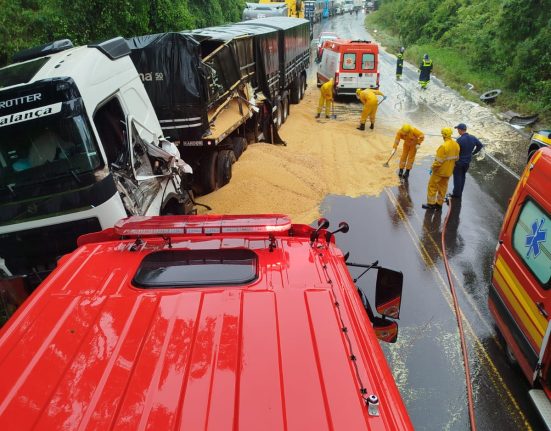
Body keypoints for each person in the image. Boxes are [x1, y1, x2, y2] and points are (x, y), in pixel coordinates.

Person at [422, 127, 459, 210]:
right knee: (443, 188)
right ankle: (439, 204)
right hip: (448, 172)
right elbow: (456, 158)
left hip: (439, 172)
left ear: (443, 135)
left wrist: (432, 168)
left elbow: (438, 162)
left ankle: (431, 204)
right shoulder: (456, 145)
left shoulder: (443, 146)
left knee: (432, 186)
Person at [451, 123, 483, 199]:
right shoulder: (473, 137)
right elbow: (480, 145)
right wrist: (473, 153)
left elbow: (455, 152)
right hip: (467, 162)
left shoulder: (459, 140)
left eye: (458, 129)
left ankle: (456, 194)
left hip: (459, 162)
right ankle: (460, 192)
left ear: (460, 130)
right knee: (462, 176)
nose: (457, 131)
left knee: (457, 177)